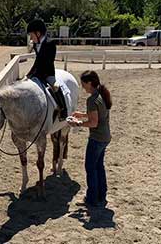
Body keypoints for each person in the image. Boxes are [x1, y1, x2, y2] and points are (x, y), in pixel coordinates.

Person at [68, 70, 112, 208]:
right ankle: (101, 195)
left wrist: (77, 123)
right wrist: (81, 115)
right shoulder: (101, 95)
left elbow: (94, 122)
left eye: (83, 84)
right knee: (99, 166)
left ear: (90, 83)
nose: (82, 87)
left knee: (90, 167)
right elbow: (96, 115)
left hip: (97, 138)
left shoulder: (92, 100)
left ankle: (91, 199)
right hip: (105, 137)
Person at [26, 19, 67, 119]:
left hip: (48, 73)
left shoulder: (50, 43)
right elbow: (37, 61)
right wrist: (29, 74)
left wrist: (37, 74)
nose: (31, 38)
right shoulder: (36, 44)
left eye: (32, 35)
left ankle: (63, 109)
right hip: (37, 73)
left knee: (56, 86)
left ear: (38, 33)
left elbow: (47, 62)